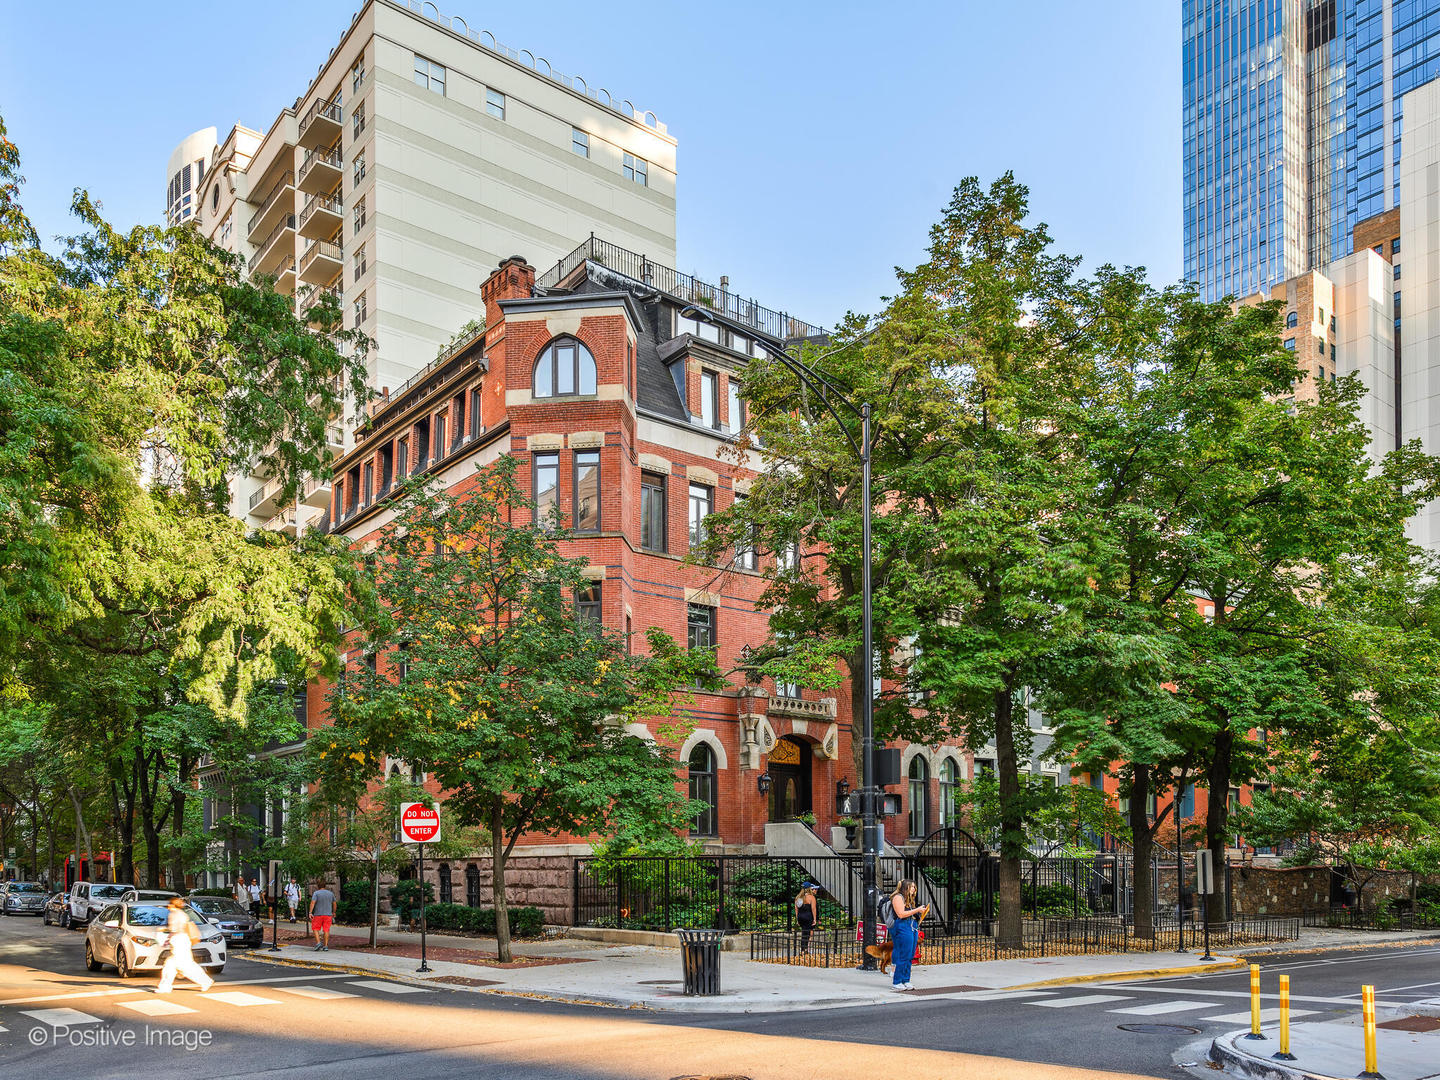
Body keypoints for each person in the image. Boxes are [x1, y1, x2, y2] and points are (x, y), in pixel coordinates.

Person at [156, 897, 214, 994]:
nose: (168, 906)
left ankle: (205, 981)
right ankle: (205, 981)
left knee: (183, 966)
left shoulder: (174, 915)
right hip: (183, 940)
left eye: (170, 904)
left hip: (179, 942)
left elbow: (175, 930)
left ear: (173, 905)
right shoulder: (182, 914)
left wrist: (166, 937)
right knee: (173, 965)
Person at [888, 878, 928, 992]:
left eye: (915, 887)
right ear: (906, 887)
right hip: (903, 926)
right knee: (903, 954)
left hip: (912, 925)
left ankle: (906, 980)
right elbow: (901, 914)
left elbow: (910, 914)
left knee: (910, 955)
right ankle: (897, 981)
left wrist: (920, 913)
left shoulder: (909, 899)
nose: (914, 889)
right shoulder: (898, 897)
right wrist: (916, 910)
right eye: (912, 887)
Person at [309, 881, 335, 951]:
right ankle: (326, 946)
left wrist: (310, 912)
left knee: (315, 928)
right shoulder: (331, 893)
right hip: (328, 915)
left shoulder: (316, 893)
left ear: (318, 886)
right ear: (325, 886)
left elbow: (312, 903)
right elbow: (334, 904)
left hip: (318, 914)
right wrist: (334, 912)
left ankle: (318, 942)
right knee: (326, 930)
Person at [794, 883, 820, 953]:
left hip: (800, 917)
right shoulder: (811, 897)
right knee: (807, 934)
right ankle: (804, 950)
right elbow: (813, 909)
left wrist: (797, 919)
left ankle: (803, 949)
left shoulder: (797, 897)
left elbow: (796, 909)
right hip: (808, 917)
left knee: (803, 933)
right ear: (809, 888)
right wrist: (814, 919)